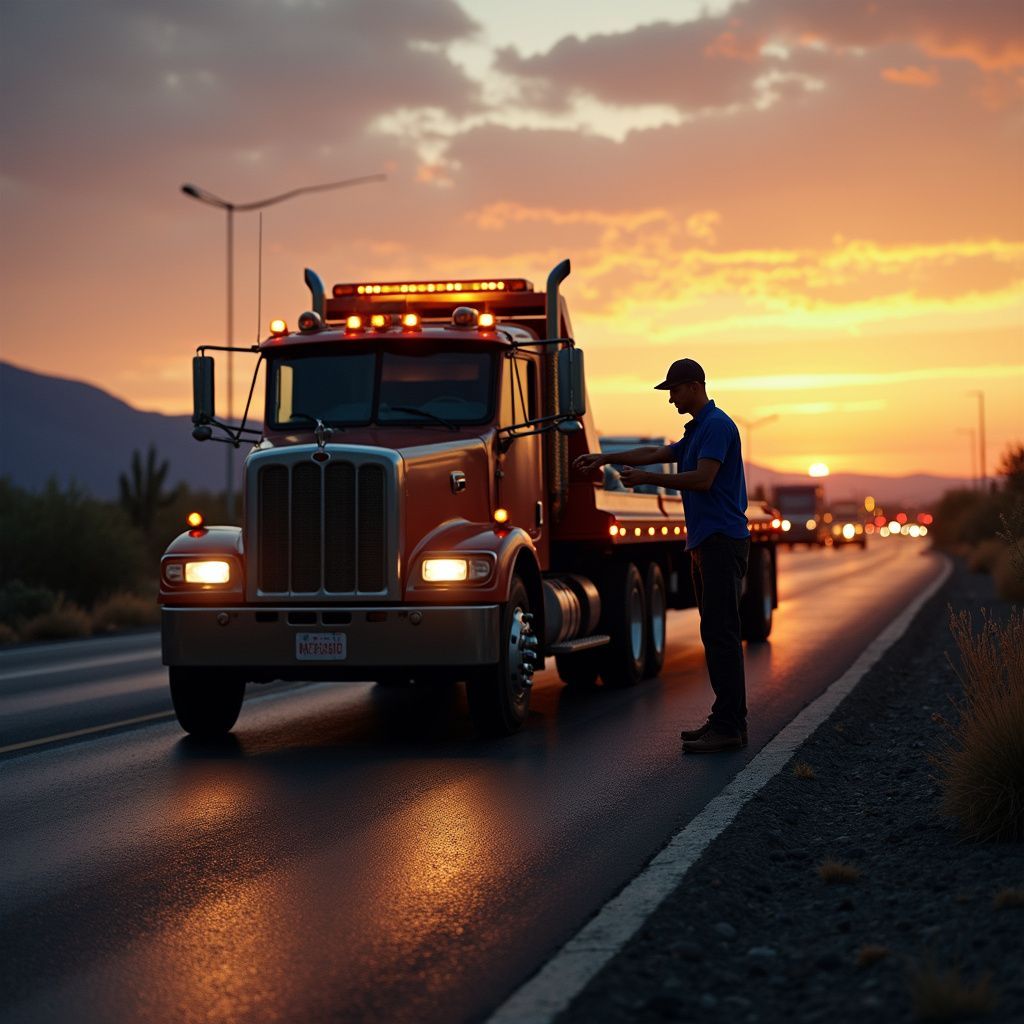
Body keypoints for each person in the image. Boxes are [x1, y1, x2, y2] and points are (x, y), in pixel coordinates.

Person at [572, 357, 751, 753]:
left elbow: (703, 479)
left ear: (692, 386)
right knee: (715, 634)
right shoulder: (700, 430)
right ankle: (724, 719)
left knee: (722, 636)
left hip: (721, 542)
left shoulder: (718, 427)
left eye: (673, 390)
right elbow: (658, 452)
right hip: (707, 543)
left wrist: (647, 481)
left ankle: (730, 727)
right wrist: (607, 458)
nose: (670, 399)